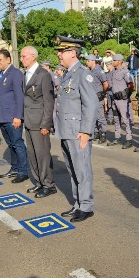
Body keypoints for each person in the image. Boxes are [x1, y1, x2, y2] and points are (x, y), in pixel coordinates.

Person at [54, 36, 98, 222]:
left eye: (62, 51)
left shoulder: (82, 74)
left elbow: (91, 104)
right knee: (73, 170)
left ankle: (86, 206)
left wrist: (86, 132)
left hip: (77, 131)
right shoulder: (68, 74)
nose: (59, 55)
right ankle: (78, 203)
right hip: (66, 130)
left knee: (82, 170)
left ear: (72, 53)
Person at [20, 46, 56, 198]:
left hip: (39, 121)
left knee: (42, 155)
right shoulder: (25, 74)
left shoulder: (43, 75)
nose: (21, 59)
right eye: (21, 56)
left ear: (33, 57)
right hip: (28, 120)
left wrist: (46, 124)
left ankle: (48, 184)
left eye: (24, 56)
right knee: (32, 153)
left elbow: (49, 101)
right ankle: (39, 182)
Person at [0, 49, 29, 183]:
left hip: (12, 116)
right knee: (11, 144)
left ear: (8, 59)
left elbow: (20, 97)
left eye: (0, 60)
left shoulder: (15, 73)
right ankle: (14, 168)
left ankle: (23, 171)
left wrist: (18, 116)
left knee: (18, 144)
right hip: (2, 116)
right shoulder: (1, 74)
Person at [106, 54, 134, 149]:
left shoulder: (125, 72)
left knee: (125, 119)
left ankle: (129, 139)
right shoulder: (113, 72)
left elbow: (131, 85)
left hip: (122, 99)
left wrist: (127, 95)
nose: (113, 62)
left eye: (114, 60)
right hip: (114, 98)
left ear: (119, 61)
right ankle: (117, 137)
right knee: (116, 119)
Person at [86, 55, 108, 143]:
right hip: (91, 97)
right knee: (92, 116)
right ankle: (95, 132)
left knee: (100, 117)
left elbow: (105, 84)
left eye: (88, 61)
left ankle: (103, 134)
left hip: (98, 97)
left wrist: (102, 93)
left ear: (92, 61)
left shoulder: (99, 70)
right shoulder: (88, 71)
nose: (86, 62)